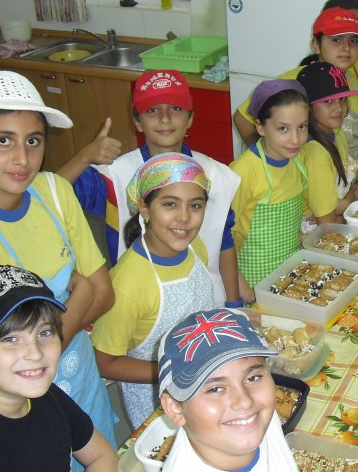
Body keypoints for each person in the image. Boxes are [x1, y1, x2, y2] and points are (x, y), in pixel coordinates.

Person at [0, 70, 117, 472]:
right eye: (3, 140)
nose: (22, 158)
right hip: (15, 404)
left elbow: (104, 292)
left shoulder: (54, 192)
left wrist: (80, 297)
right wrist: (79, 292)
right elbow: (8, 344)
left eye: (33, 140)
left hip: (82, 382)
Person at [57, 70, 245, 308]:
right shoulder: (111, 176)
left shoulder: (215, 174)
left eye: (175, 108)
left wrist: (233, 302)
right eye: (152, 110)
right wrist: (84, 157)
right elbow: (47, 196)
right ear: (137, 121)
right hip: (140, 305)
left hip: (205, 301)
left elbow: (224, 241)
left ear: (190, 118)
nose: (165, 118)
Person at [134, 308, 315, 472]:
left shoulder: (257, 423)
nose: (244, 401)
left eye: (253, 377)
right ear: (175, 408)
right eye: (215, 389)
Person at [0, 264, 118, 472]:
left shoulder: (49, 399)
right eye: (10, 338)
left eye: (44, 332)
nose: (34, 353)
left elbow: (103, 457)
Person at [90, 153, 215, 428]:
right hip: (157, 403)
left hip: (204, 379)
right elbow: (104, 362)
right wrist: (171, 371)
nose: (184, 218)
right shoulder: (127, 284)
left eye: (195, 205)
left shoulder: (196, 248)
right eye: (170, 204)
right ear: (144, 209)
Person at [234, 6, 358, 153]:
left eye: (354, 41)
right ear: (316, 44)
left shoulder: (357, 76)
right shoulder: (295, 81)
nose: (346, 47)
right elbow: (242, 119)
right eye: (336, 40)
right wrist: (268, 161)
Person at [230, 79, 310, 287]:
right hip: (254, 282)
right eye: (283, 129)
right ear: (261, 127)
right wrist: (241, 288)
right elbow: (224, 237)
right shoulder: (243, 171)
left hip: (290, 276)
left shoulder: (296, 161)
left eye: (302, 127)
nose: (295, 139)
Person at [296, 61, 358, 232]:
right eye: (327, 101)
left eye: (342, 98)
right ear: (308, 108)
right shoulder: (316, 154)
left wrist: (346, 201)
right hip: (315, 233)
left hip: (333, 219)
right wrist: (349, 199)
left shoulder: (337, 134)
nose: (338, 108)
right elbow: (326, 224)